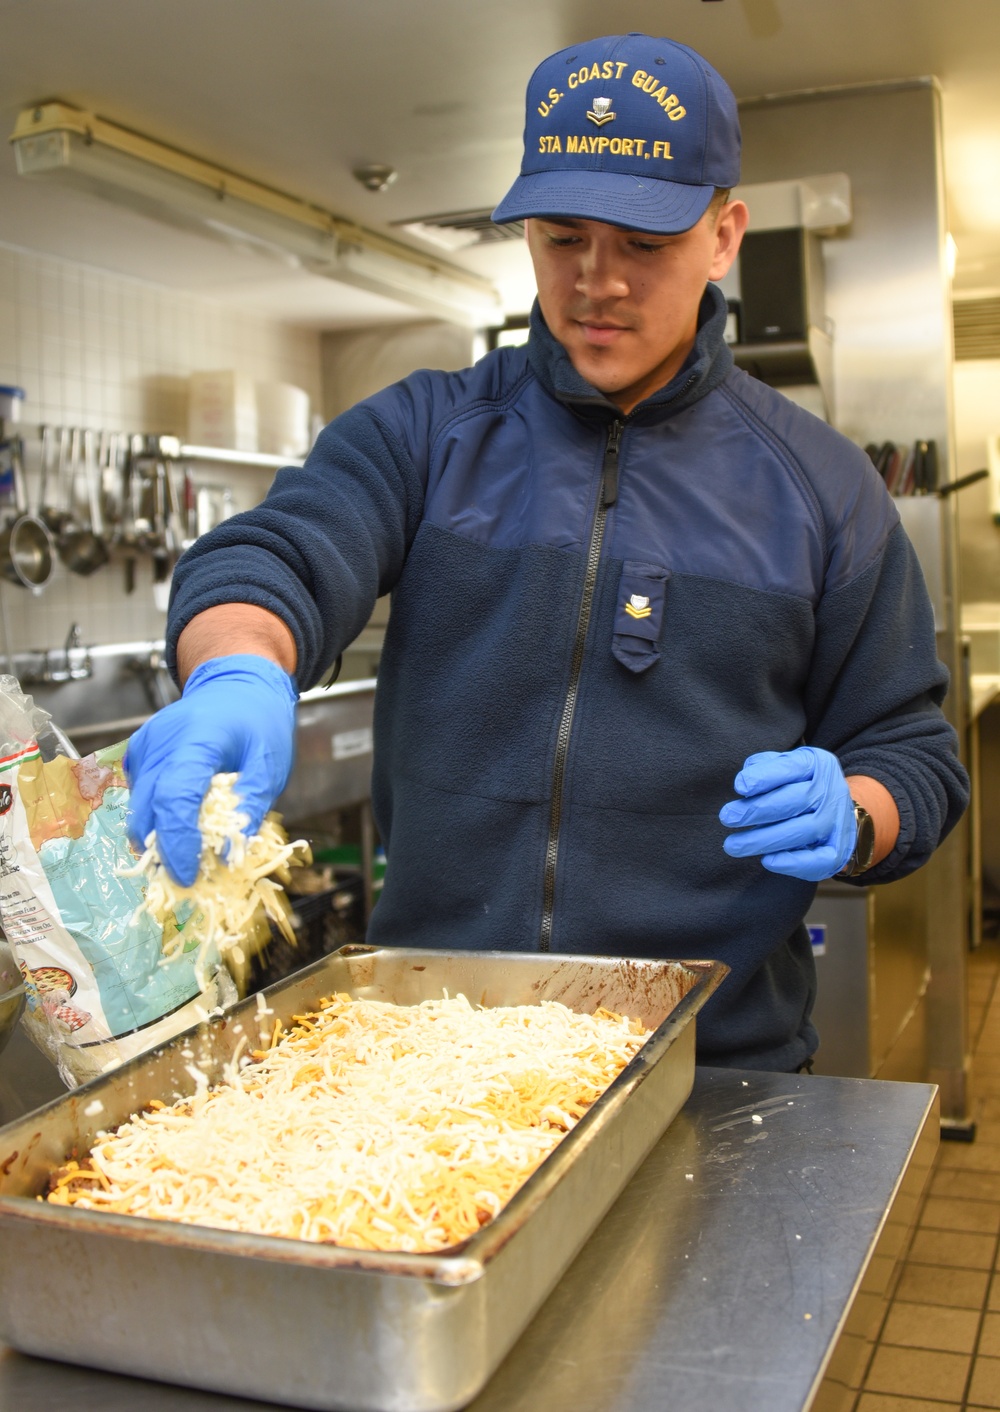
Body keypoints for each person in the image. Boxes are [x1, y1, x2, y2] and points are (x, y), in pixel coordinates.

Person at [125, 32, 969, 1073]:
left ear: (723, 234)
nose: (595, 282)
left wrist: (861, 810)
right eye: (561, 237)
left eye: (643, 244)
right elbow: (279, 553)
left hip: (709, 1065)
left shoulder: (824, 491)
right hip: (434, 1050)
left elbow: (914, 754)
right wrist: (239, 665)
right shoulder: (427, 435)